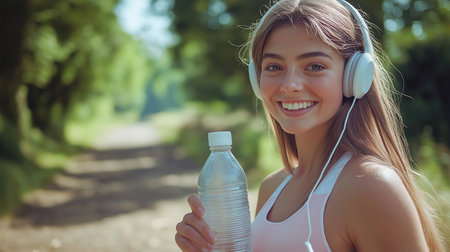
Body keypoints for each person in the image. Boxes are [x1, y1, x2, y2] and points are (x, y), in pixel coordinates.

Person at [174, 0, 444, 251]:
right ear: (257, 80)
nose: (290, 85)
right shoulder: (272, 189)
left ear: (355, 76)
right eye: (274, 67)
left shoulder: (371, 186)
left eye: (314, 66)